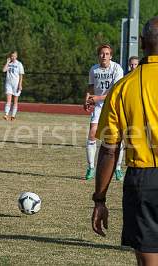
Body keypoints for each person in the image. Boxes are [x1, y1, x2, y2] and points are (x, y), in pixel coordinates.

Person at [91, 16, 158, 265]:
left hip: (144, 180)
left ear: (141, 43)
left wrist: (100, 199)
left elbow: (109, 150)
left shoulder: (123, 87)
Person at [83, 44, 124, 181]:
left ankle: (118, 169)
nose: (104, 56)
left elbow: (115, 92)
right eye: (102, 53)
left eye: (107, 54)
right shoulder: (93, 69)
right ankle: (91, 167)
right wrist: (87, 99)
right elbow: (90, 86)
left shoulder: (117, 68)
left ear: (111, 56)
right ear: (98, 56)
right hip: (99, 105)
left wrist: (97, 98)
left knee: (117, 137)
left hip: (113, 105)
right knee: (92, 133)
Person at [2, 51, 25, 121]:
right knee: (8, 100)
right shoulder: (9, 63)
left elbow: (21, 75)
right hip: (8, 84)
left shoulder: (19, 64)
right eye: (11, 56)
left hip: (16, 84)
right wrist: (7, 62)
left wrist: (20, 84)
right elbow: (3, 70)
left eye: (14, 56)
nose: (13, 57)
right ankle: (6, 114)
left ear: (16, 56)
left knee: (15, 101)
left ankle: (13, 115)